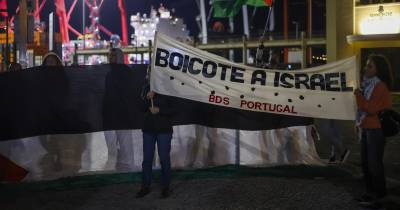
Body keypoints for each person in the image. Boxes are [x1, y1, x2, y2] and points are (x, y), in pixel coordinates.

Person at [354, 54, 393, 207]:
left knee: (374, 164)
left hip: (376, 129)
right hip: (366, 127)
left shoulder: (380, 86)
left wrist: (358, 95)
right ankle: (370, 192)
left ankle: (379, 194)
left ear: (378, 70)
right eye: (366, 65)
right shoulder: (367, 84)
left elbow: (371, 108)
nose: (366, 68)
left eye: (370, 66)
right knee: (365, 163)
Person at [136, 76, 174, 199]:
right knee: (147, 160)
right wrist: (147, 98)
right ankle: (145, 186)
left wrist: (160, 110)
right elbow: (140, 108)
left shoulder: (169, 87)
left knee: (164, 159)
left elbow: (175, 109)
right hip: (148, 130)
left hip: (164, 130)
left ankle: (165, 187)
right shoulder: (146, 87)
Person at [103, 48, 135, 171]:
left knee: (125, 144)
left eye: (113, 55)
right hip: (110, 114)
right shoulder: (107, 72)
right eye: (110, 55)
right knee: (111, 145)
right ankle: (114, 167)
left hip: (123, 114)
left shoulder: (126, 72)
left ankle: (128, 168)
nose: (111, 57)